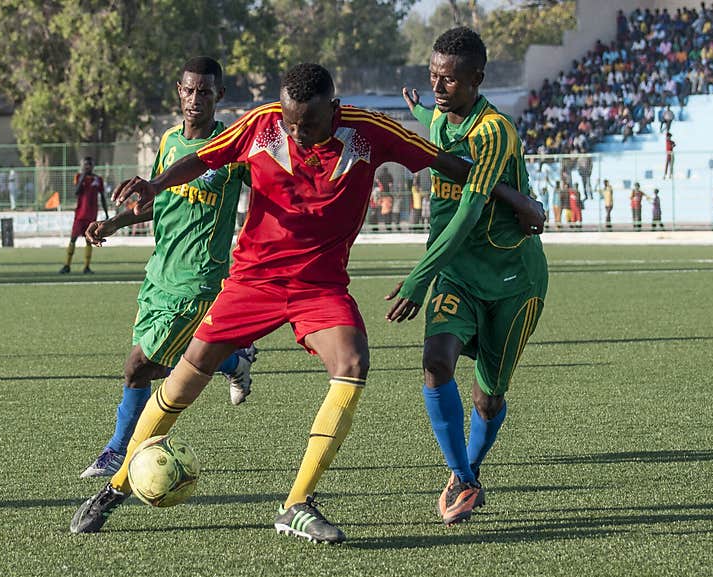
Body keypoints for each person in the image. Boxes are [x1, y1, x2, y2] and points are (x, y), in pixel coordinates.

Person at [70, 62, 544, 542]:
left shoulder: (368, 131)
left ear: (334, 110)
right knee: (186, 377)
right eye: (291, 122)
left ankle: (296, 503)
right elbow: (203, 159)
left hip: (319, 286)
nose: (298, 133)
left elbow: (451, 165)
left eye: (310, 124)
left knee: (353, 363)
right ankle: (115, 487)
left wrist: (517, 200)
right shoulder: (261, 125)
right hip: (252, 280)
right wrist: (155, 185)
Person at [391, 27, 548, 527]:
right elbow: (432, 121)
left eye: (451, 80)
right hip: (457, 274)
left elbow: (466, 216)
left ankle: (471, 469)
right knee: (436, 362)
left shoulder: (494, 131)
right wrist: (417, 107)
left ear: (477, 79)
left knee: (489, 395)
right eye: (434, 76)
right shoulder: (438, 113)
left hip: (512, 281)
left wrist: (417, 278)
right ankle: (461, 478)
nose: (440, 87)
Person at [76, 57, 258, 480]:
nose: (196, 100)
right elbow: (156, 200)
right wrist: (115, 223)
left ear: (220, 96)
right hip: (159, 273)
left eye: (205, 92)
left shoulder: (233, 151)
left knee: (141, 366)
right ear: (180, 90)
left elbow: (272, 193)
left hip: (198, 280)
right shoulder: (170, 141)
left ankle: (117, 451)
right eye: (190, 90)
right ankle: (234, 360)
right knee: (176, 357)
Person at [59, 157, 109, 274]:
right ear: (83, 166)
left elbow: (102, 197)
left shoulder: (98, 179)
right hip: (80, 215)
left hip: (92, 216)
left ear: (93, 166)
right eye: (85, 164)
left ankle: (87, 267)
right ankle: (67, 265)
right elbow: (76, 192)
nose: (87, 167)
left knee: (89, 240)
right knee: (73, 239)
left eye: (90, 164)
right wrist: (82, 178)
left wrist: (106, 212)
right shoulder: (78, 177)